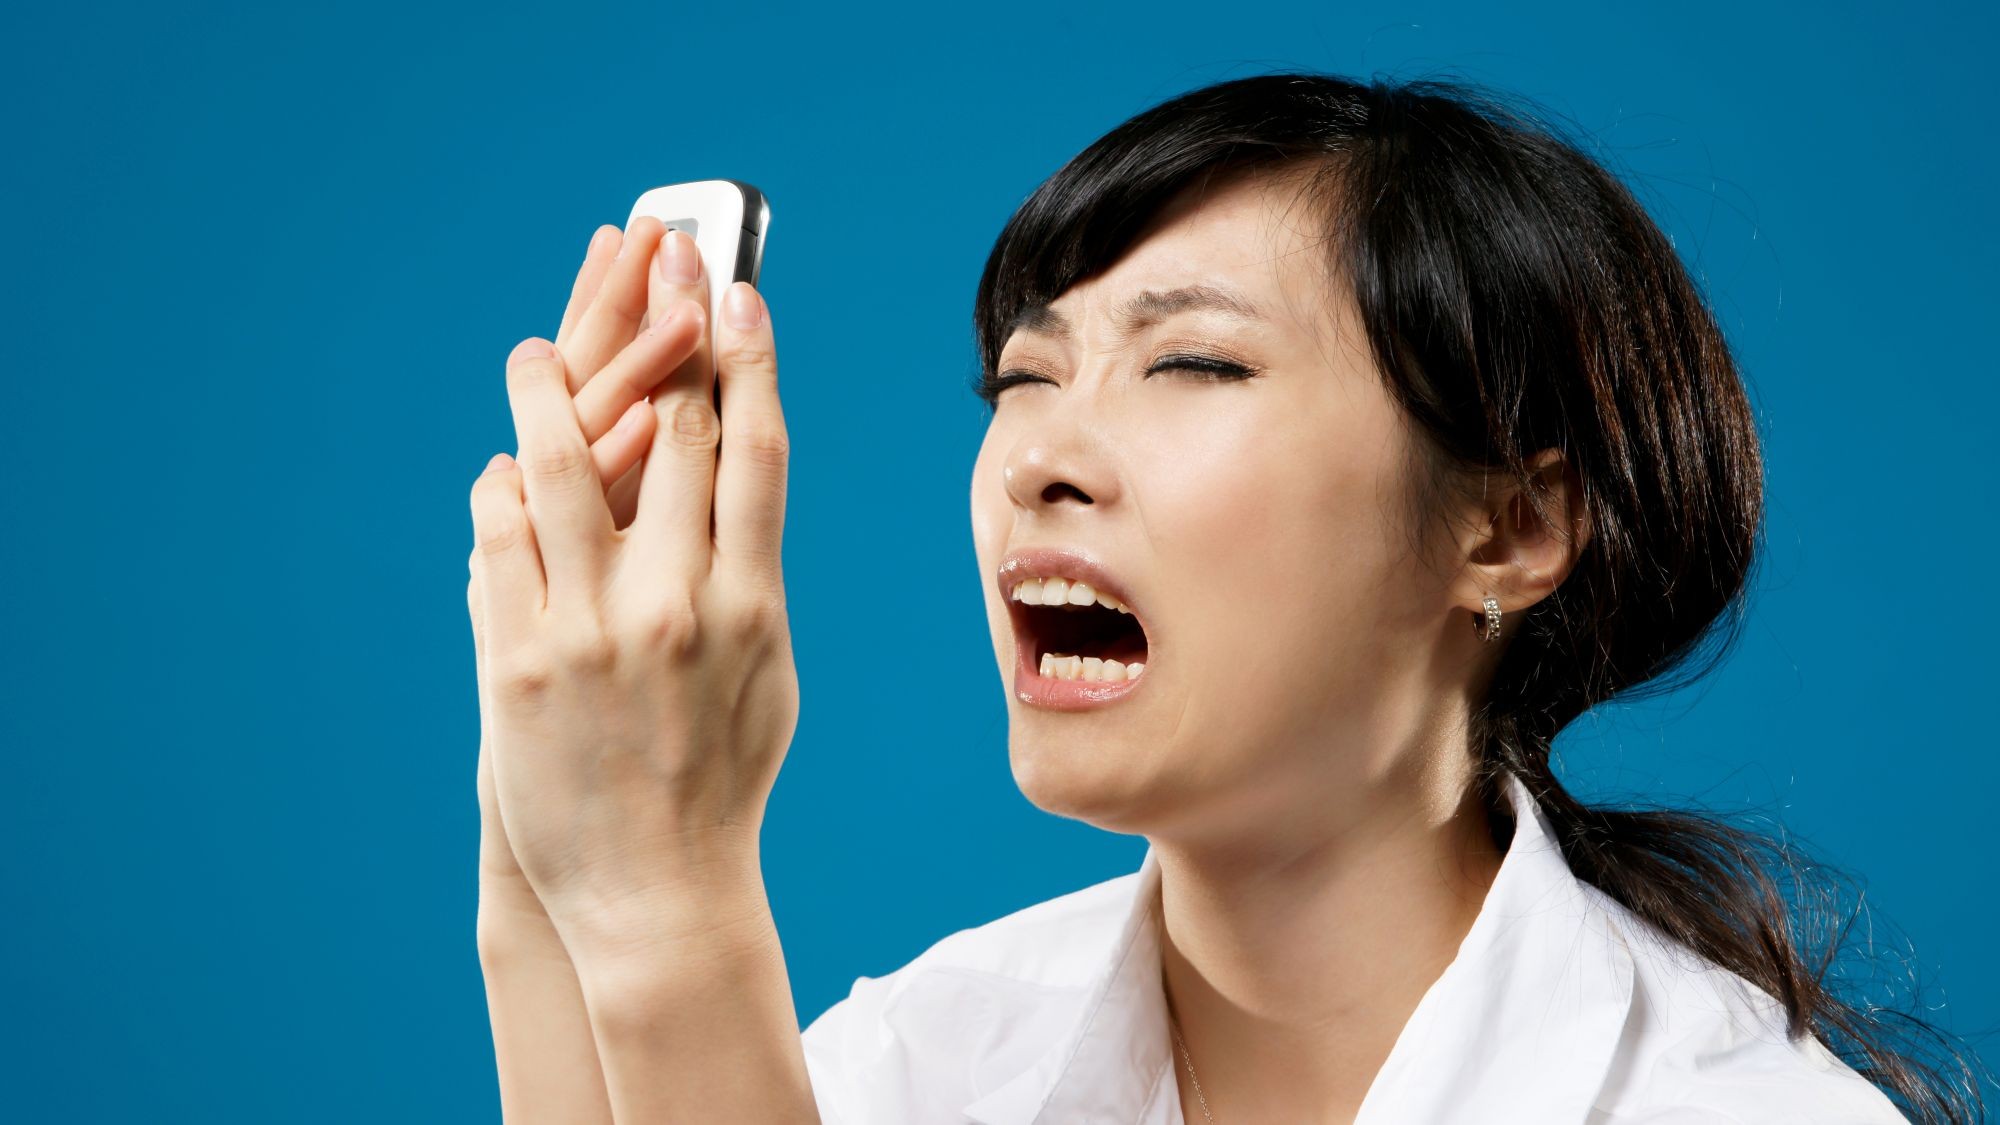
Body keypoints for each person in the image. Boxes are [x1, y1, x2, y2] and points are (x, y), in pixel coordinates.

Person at [465, 71, 1986, 1123]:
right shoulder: (920, 1060)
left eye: (1191, 362)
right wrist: (547, 840)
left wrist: (673, 898)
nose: (1039, 458)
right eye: (1024, 377)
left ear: (1512, 527)